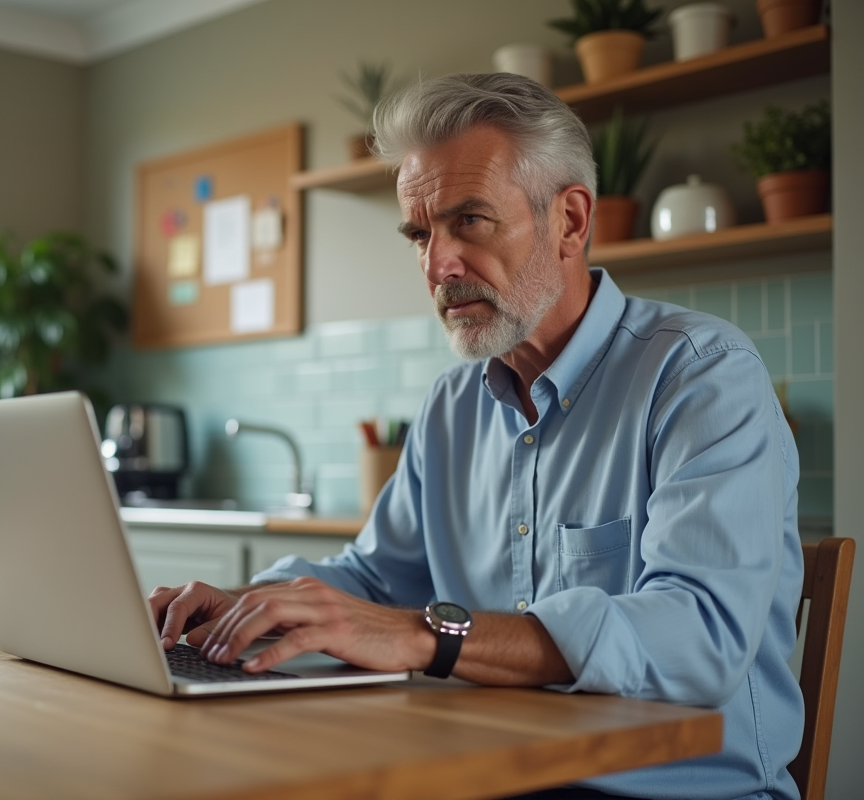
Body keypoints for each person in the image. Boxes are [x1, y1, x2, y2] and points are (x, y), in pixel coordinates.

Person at [148, 73, 804, 800]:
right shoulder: (451, 406)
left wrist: (430, 636)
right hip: (492, 775)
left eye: (470, 222)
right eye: (420, 234)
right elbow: (372, 581)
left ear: (571, 221)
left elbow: (699, 637)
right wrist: (241, 606)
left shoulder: (702, 376)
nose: (437, 266)